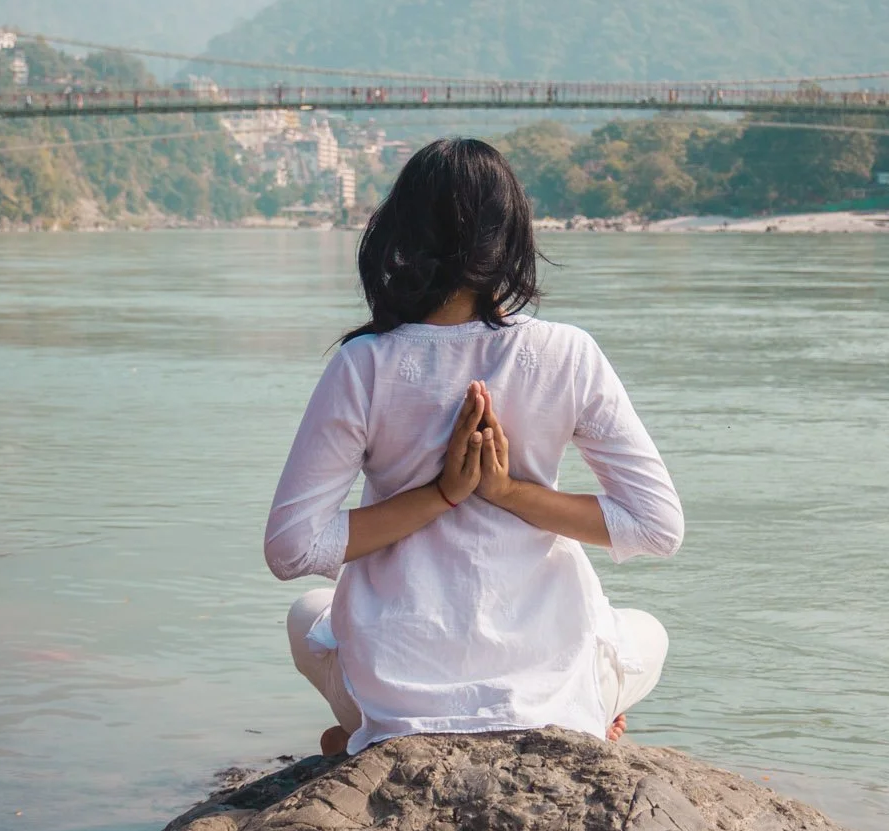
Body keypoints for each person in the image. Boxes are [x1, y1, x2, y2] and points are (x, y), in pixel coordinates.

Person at [263, 138, 685, 757]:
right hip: (550, 689)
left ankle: (358, 733)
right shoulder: (566, 353)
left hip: (395, 697)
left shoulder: (365, 363)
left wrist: (440, 496)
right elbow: (658, 528)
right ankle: (594, 707)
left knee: (309, 613)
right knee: (647, 633)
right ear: (511, 237)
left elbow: (290, 550)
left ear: (400, 234)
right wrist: (507, 493)